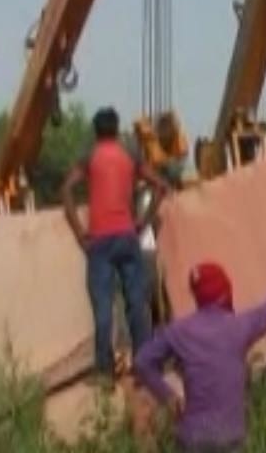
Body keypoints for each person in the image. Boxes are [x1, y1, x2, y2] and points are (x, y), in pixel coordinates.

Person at [134, 239, 266, 452]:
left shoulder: (179, 331)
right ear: (225, 291)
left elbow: (142, 361)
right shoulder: (239, 327)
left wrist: (167, 395)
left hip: (192, 438)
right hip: (230, 438)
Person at [61, 106, 170, 383]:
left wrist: (79, 232)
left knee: (103, 306)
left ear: (96, 131)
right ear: (116, 128)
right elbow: (160, 186)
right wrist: (142, 223)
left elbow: (66, 189)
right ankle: (145, 366)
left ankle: (104, 370)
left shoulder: (90, 156)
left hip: (99, 240)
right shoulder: (130, 155)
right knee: (136, 303)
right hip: (127, 236)